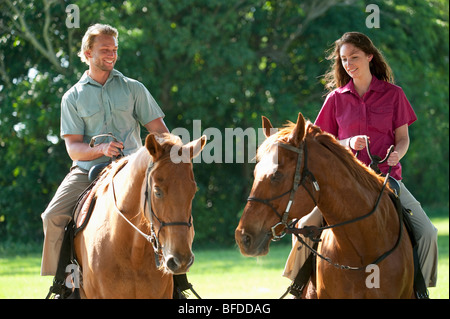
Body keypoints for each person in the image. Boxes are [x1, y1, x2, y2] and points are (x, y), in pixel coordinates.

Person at [283, 31, 438, 295]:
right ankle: (299, 287)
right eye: (344, 60)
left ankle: (419, 289)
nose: (349, 64)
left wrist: (398, 154)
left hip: (387, 182)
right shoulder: (335, 99)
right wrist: (347, 143)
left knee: (428, 232)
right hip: (343, 184)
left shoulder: (394, 95)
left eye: (354, 57)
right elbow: (320, 143)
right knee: (305, 228)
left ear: (369, 56)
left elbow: (403, 139)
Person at [41, 24, 169, 276]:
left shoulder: (134, 88)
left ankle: (177, 281)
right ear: (87, 54)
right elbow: (74, 149)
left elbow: (161, 133)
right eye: (104, 49)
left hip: (132, 169)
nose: (111, 54)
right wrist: (100, 148)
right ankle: (63, 282)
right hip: (88, 171)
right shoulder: (72, 97)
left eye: (114, 49)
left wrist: (171, 158)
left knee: (174, 206)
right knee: (53, 216)